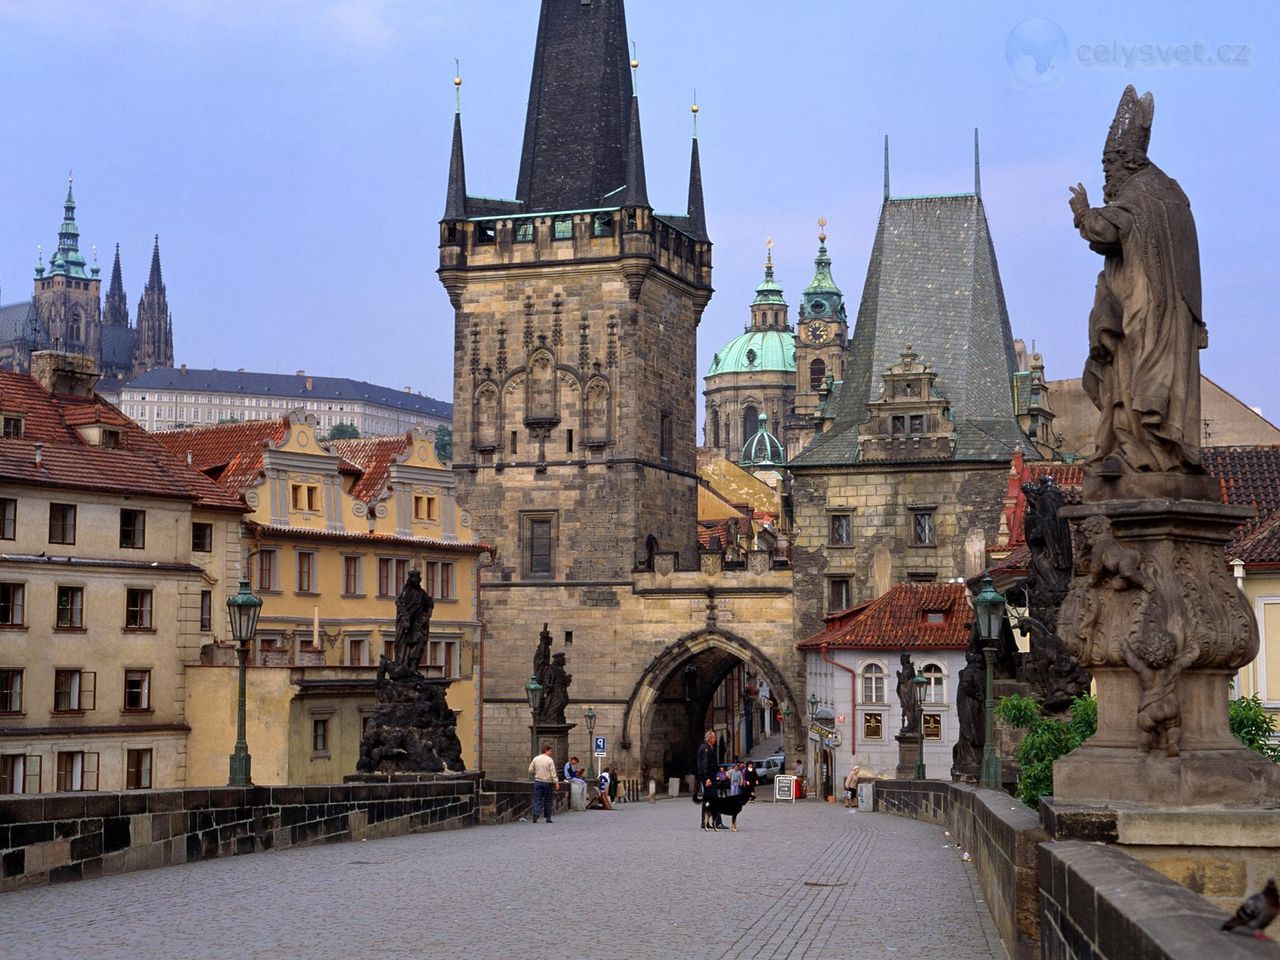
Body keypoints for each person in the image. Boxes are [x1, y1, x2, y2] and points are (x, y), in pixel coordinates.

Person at [695, 730, 722, 828]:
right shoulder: (705, 749)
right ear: (709, 738)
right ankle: (717, 822)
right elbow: (704, 764)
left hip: (710, 777)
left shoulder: (708, 747)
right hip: (709, 778)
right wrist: (707, 778)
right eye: (714, 737)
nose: (715, 739)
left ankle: (705, 822)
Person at [528, 743, 559, 823]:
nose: (551, 753)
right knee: (548, 800)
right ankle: (548, 817)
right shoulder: (550, 760)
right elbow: (553, 773)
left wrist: (537, 772)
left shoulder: (536, 759)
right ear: (546, 751)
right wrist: (556, 782)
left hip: (538, 781)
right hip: (547, 782)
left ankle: (536, 814)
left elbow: (530, 769)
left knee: (537, 799)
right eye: (550, 751)